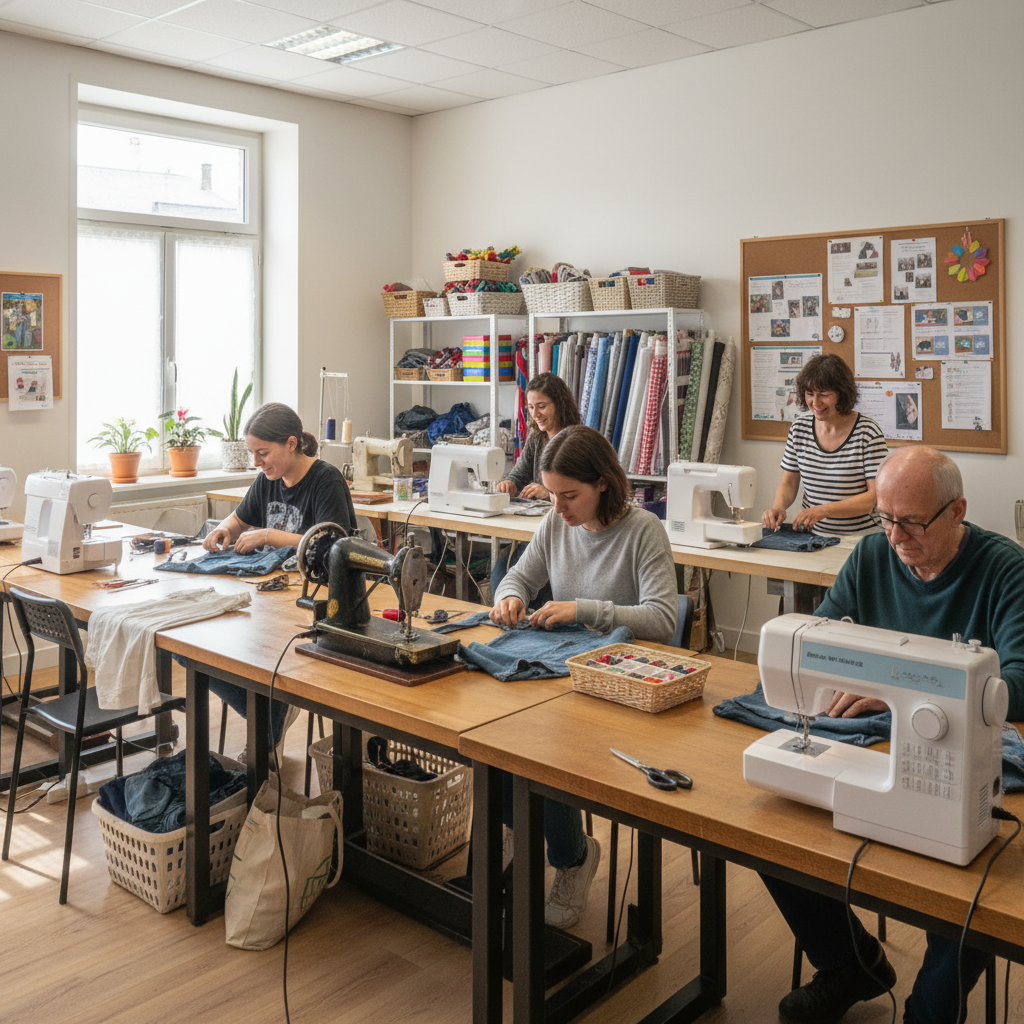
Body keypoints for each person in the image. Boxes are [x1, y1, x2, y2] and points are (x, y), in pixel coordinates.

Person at [764, 446, 1024, 1024]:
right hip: (878, 747)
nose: (894, 535)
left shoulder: (1006, 570)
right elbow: (821, 638)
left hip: (965, 761)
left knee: (973, 886)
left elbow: (1019, 681)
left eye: (910, 521)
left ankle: (929, 1013)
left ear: (957, 511)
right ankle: (848, 963)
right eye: (885, 518)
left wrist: (902, 692)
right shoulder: (872, 554)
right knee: (771, 829)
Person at [491, 425, 677, 928]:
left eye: (569, 496)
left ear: (603, 483)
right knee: (493, 738)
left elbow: (662, 618)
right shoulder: (557, 525)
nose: (558, 508)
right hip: (564, 673)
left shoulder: (643, 531)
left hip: (622, 686)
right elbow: (518, 576)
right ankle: (511, 833)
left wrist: (584, 610)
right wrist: (508, 597)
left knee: (545, 750)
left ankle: (572, 858)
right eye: (551, 495)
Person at [202, 402, 356, 762]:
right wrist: (224, 529)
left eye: (262, 453)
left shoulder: (325, 480)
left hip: (313, 598)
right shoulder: (266, 480)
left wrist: (269, 535)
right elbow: (240, 519)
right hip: (273, 595)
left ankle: (268, 725)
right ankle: (273, 716)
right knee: (194, 653)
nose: (257, 461)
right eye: (253, 453)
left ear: (291, 443)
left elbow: (332, 543)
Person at [763, 354, 888, 536]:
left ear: (841, 394)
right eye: (809, 394)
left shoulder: (867, 432)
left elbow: (874, 498)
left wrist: (822, 510)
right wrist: (778, 506)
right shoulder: (799, 429)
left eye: (824, 394)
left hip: (861, 539)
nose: (815, 402)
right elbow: (789, 482)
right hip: (814, 536)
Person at [491, 372, 581, 602]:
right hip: (534, 530)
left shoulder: (577, 440)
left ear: (559, 404)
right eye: (530, 407)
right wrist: (508, 483)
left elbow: (580, 488)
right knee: (501, 573)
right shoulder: (537, 439)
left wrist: (548, 492)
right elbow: (519, 474)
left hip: (567, 533)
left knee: (507, 574)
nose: (535, 414)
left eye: (541, 406)